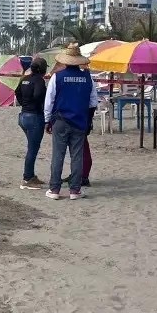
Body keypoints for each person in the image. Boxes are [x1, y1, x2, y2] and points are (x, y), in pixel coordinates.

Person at [43, 43, 98, 200]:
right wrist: (88, 119)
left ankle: (54, 189)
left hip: (60, 120)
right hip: (79, 121)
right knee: (77, 156)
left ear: (65, 61)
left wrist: (47, 120)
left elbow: (49, 101)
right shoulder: (88, 78)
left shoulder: (57, 77)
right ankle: (75, 190)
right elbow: (93, 102)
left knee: (58, 155)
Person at [15, 57, 48, 190]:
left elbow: (17, 92)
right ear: (43, 69)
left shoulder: (25, 79)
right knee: (32, 149)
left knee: (31, 147)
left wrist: (25, 103)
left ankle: (31, 176)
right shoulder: (39, 80)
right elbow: (38, 94)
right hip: (34, 116)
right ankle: (27, 178)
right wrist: (37, 104)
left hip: (23, 115)